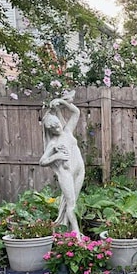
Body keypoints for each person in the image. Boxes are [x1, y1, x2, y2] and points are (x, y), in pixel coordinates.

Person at [39, 91, 84, 236]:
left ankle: (67, 229)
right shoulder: (53, 143)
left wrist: (62, 102)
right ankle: (76, 234)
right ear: (49, 130)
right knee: (71, 205)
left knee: (73, 203)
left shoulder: (67, 131)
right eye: (52, 128)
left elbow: (76, 112)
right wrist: (56, 156)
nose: (57, 128)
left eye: (57, 124)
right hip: (66, 174)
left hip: (79, 170)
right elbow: (42, 161)